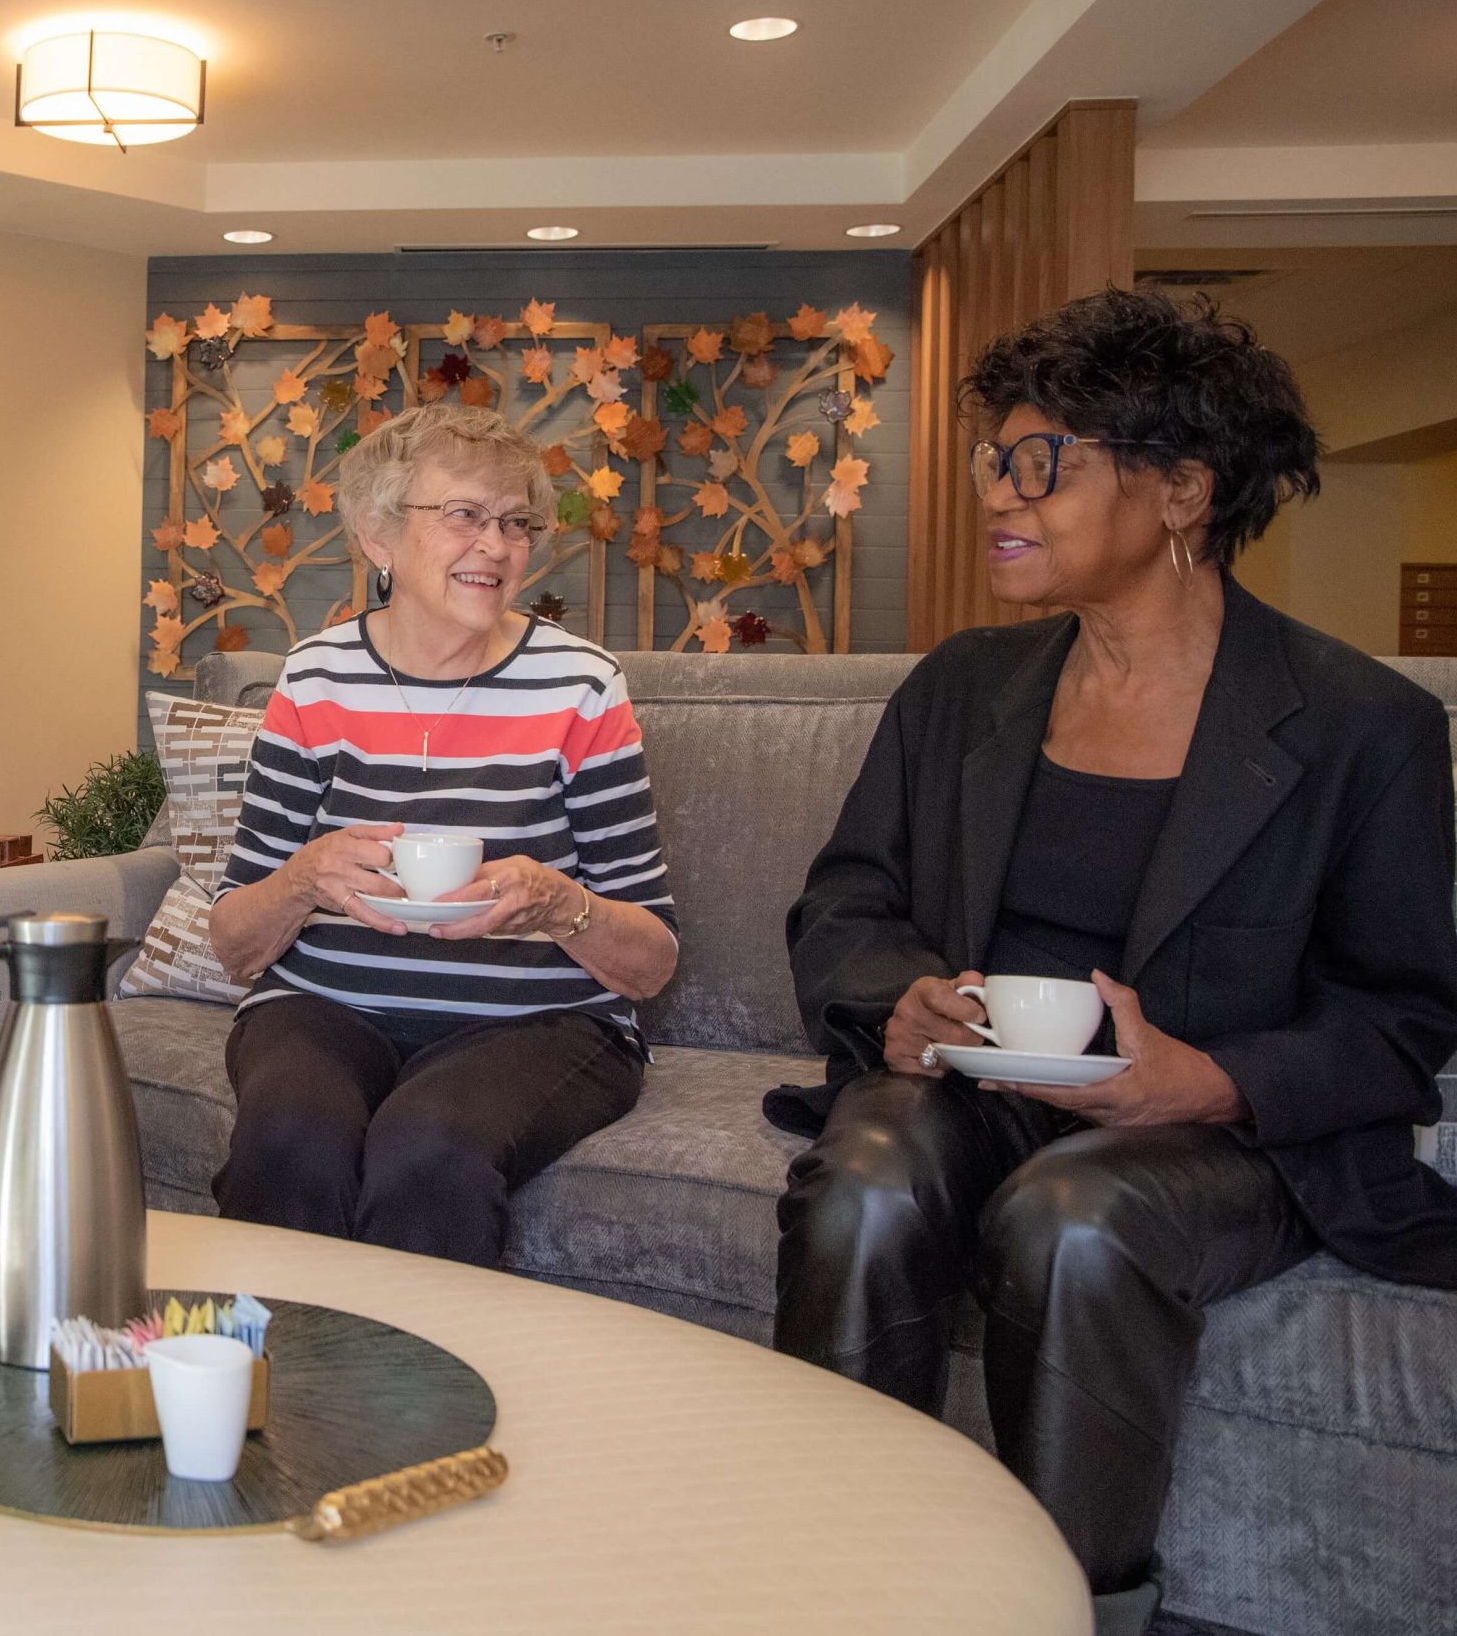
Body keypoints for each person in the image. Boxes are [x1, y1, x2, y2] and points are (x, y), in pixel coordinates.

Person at [770, 288, 1457, 1633]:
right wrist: (896, 997)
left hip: (1210, 1134)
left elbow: (1405, 1011)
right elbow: (846, 906)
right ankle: (832, 1578)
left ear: (1184, 491)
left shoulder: (1360, 724)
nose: (999, 494)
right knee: (862, 1181)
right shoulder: (961, 688)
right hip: (972, 1087)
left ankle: (1068, 1608)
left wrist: (1201, 1080)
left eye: (1045, 464)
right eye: (996, 460)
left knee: (1075, 1220)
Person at [206, 404, 680, 1266]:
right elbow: (235, 944)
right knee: (289, 1139)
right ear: (379, 535)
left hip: (539, 1023)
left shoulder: (580, 687)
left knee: (429, 1149)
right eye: (464, 515)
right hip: (324, 1008)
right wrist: (304, 878)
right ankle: (275, 1389)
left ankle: (415, 1401)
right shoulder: (315, 678)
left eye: (514, 523)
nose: (495, 546)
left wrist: (559, 905)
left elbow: (651, 961)